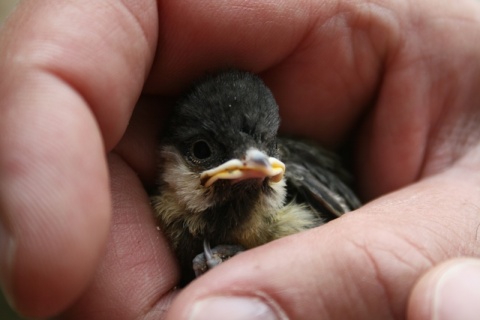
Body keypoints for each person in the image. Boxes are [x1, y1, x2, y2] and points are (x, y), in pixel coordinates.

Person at [1, 0, 480, 319]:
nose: (250, 164)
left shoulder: (298, 182)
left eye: (264, 150)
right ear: (168, 161)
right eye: (204, 153)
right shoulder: (155, 221)